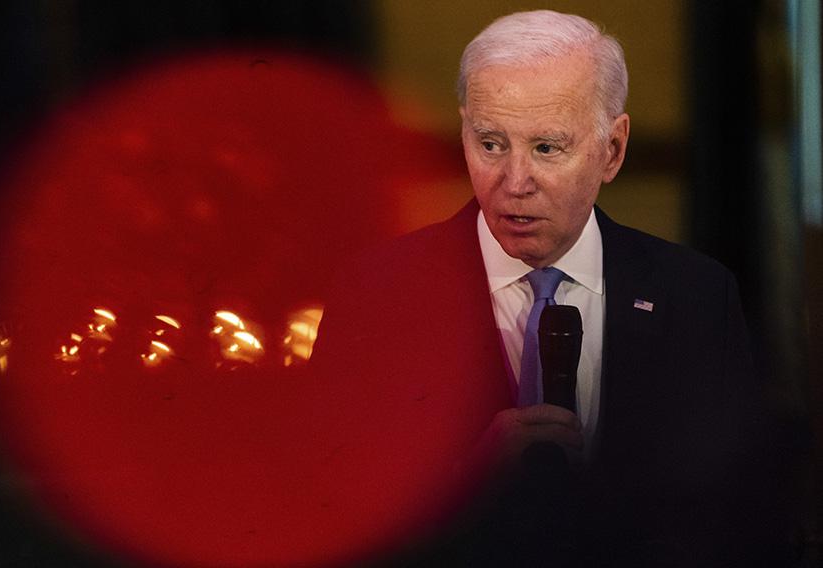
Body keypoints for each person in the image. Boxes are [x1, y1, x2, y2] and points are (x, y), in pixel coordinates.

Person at [311, 10, 792, 567]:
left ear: (612, 149)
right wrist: (468, 479)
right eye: (490, 144)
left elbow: (739, 524)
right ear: (465, 129)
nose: (514, 182)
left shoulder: (698, 296)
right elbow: (329, 519)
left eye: (546, 148)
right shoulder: (376, 293)